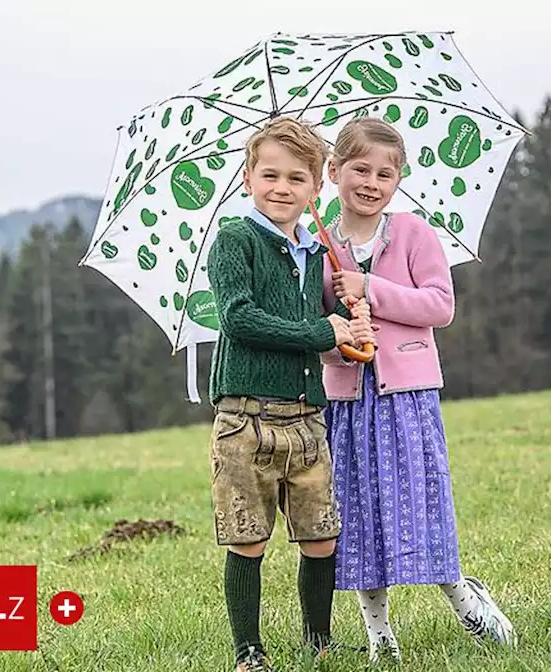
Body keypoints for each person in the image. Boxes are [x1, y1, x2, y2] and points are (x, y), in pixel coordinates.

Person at [318, 116, 517, 664]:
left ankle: (463, 598)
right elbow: (317, 332)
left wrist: (371, 290)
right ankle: (380, 634)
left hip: (406, 397)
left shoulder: (412, 234)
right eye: (360, 169)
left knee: (420, 503)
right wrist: (342, 341)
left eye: (386, 173)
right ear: (334, 172)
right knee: (357, 514)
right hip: (347, 403)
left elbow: (439, 305)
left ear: (398, 181)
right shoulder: (319, 248)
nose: (371, 182)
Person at [205, 115, 374, 672]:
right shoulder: (236, 239)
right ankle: (249, 651)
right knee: (248, 537)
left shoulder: (312, 252)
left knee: (320, 535)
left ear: (315, 187)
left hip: (308, 417)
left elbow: (309, 328)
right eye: (269, 175)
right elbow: (240, 319)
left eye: (296, 179)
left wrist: (343, 328)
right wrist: (321, 330)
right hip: (247, 417)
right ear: (248, 177)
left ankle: (318, 641)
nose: (282, 188)